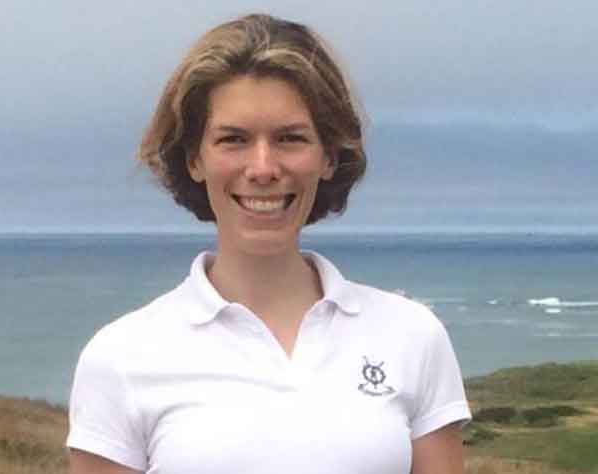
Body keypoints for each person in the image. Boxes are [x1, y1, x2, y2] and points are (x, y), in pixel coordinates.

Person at [67, 13, 471, 474]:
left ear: (329, 156)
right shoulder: (120, 358)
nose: (262, 168)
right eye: (233, 139)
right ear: (194, 159)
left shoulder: (413, 336)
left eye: (290, 138)